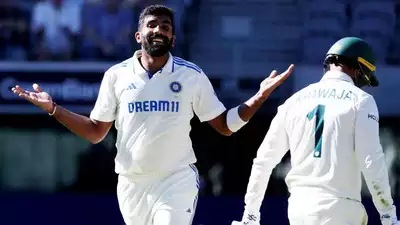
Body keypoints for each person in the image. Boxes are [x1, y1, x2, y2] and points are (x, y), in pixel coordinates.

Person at [11, 4, 294, 225]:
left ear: (172, 38)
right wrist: (54, 110)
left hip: (175, 180)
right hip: (132, 184)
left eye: (165, 26)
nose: (159, 30)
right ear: (139, 35)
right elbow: (97, 132)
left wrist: (259, 97)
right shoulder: (117, 76)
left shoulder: (190, 76)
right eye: (152, 25)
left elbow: (226, 126)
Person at [232, 37, 399, 225]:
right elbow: (371, 160)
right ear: (358, 67)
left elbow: (263, 161)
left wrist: (250, 215)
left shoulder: (293, 101)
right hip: (340, 209)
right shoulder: (361, 101)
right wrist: (387, 214)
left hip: (298, 209)